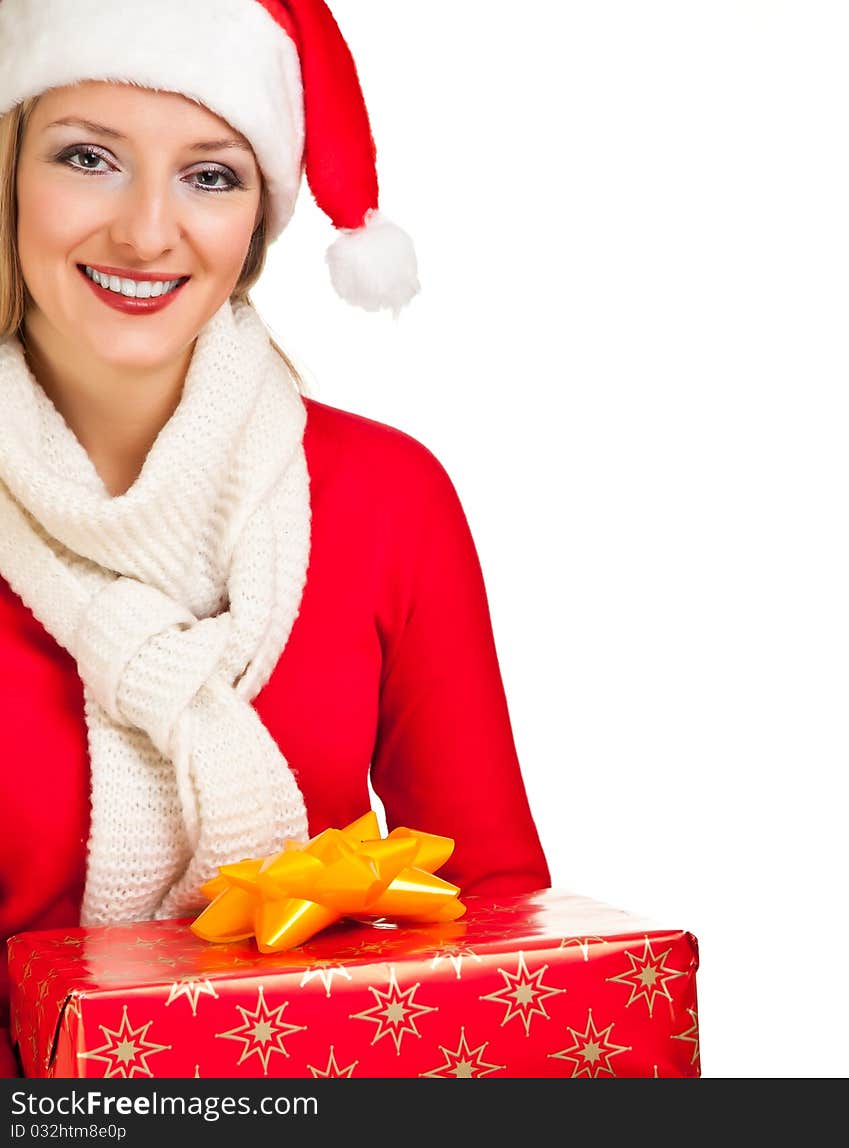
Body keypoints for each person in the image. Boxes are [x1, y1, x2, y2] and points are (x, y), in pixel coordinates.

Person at [0, 0, 550, 1078]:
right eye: (88, 157)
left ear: (259, 216)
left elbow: (502, 927)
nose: (148, 232)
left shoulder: (390, 499)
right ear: (8, 167)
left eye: (210, 174)